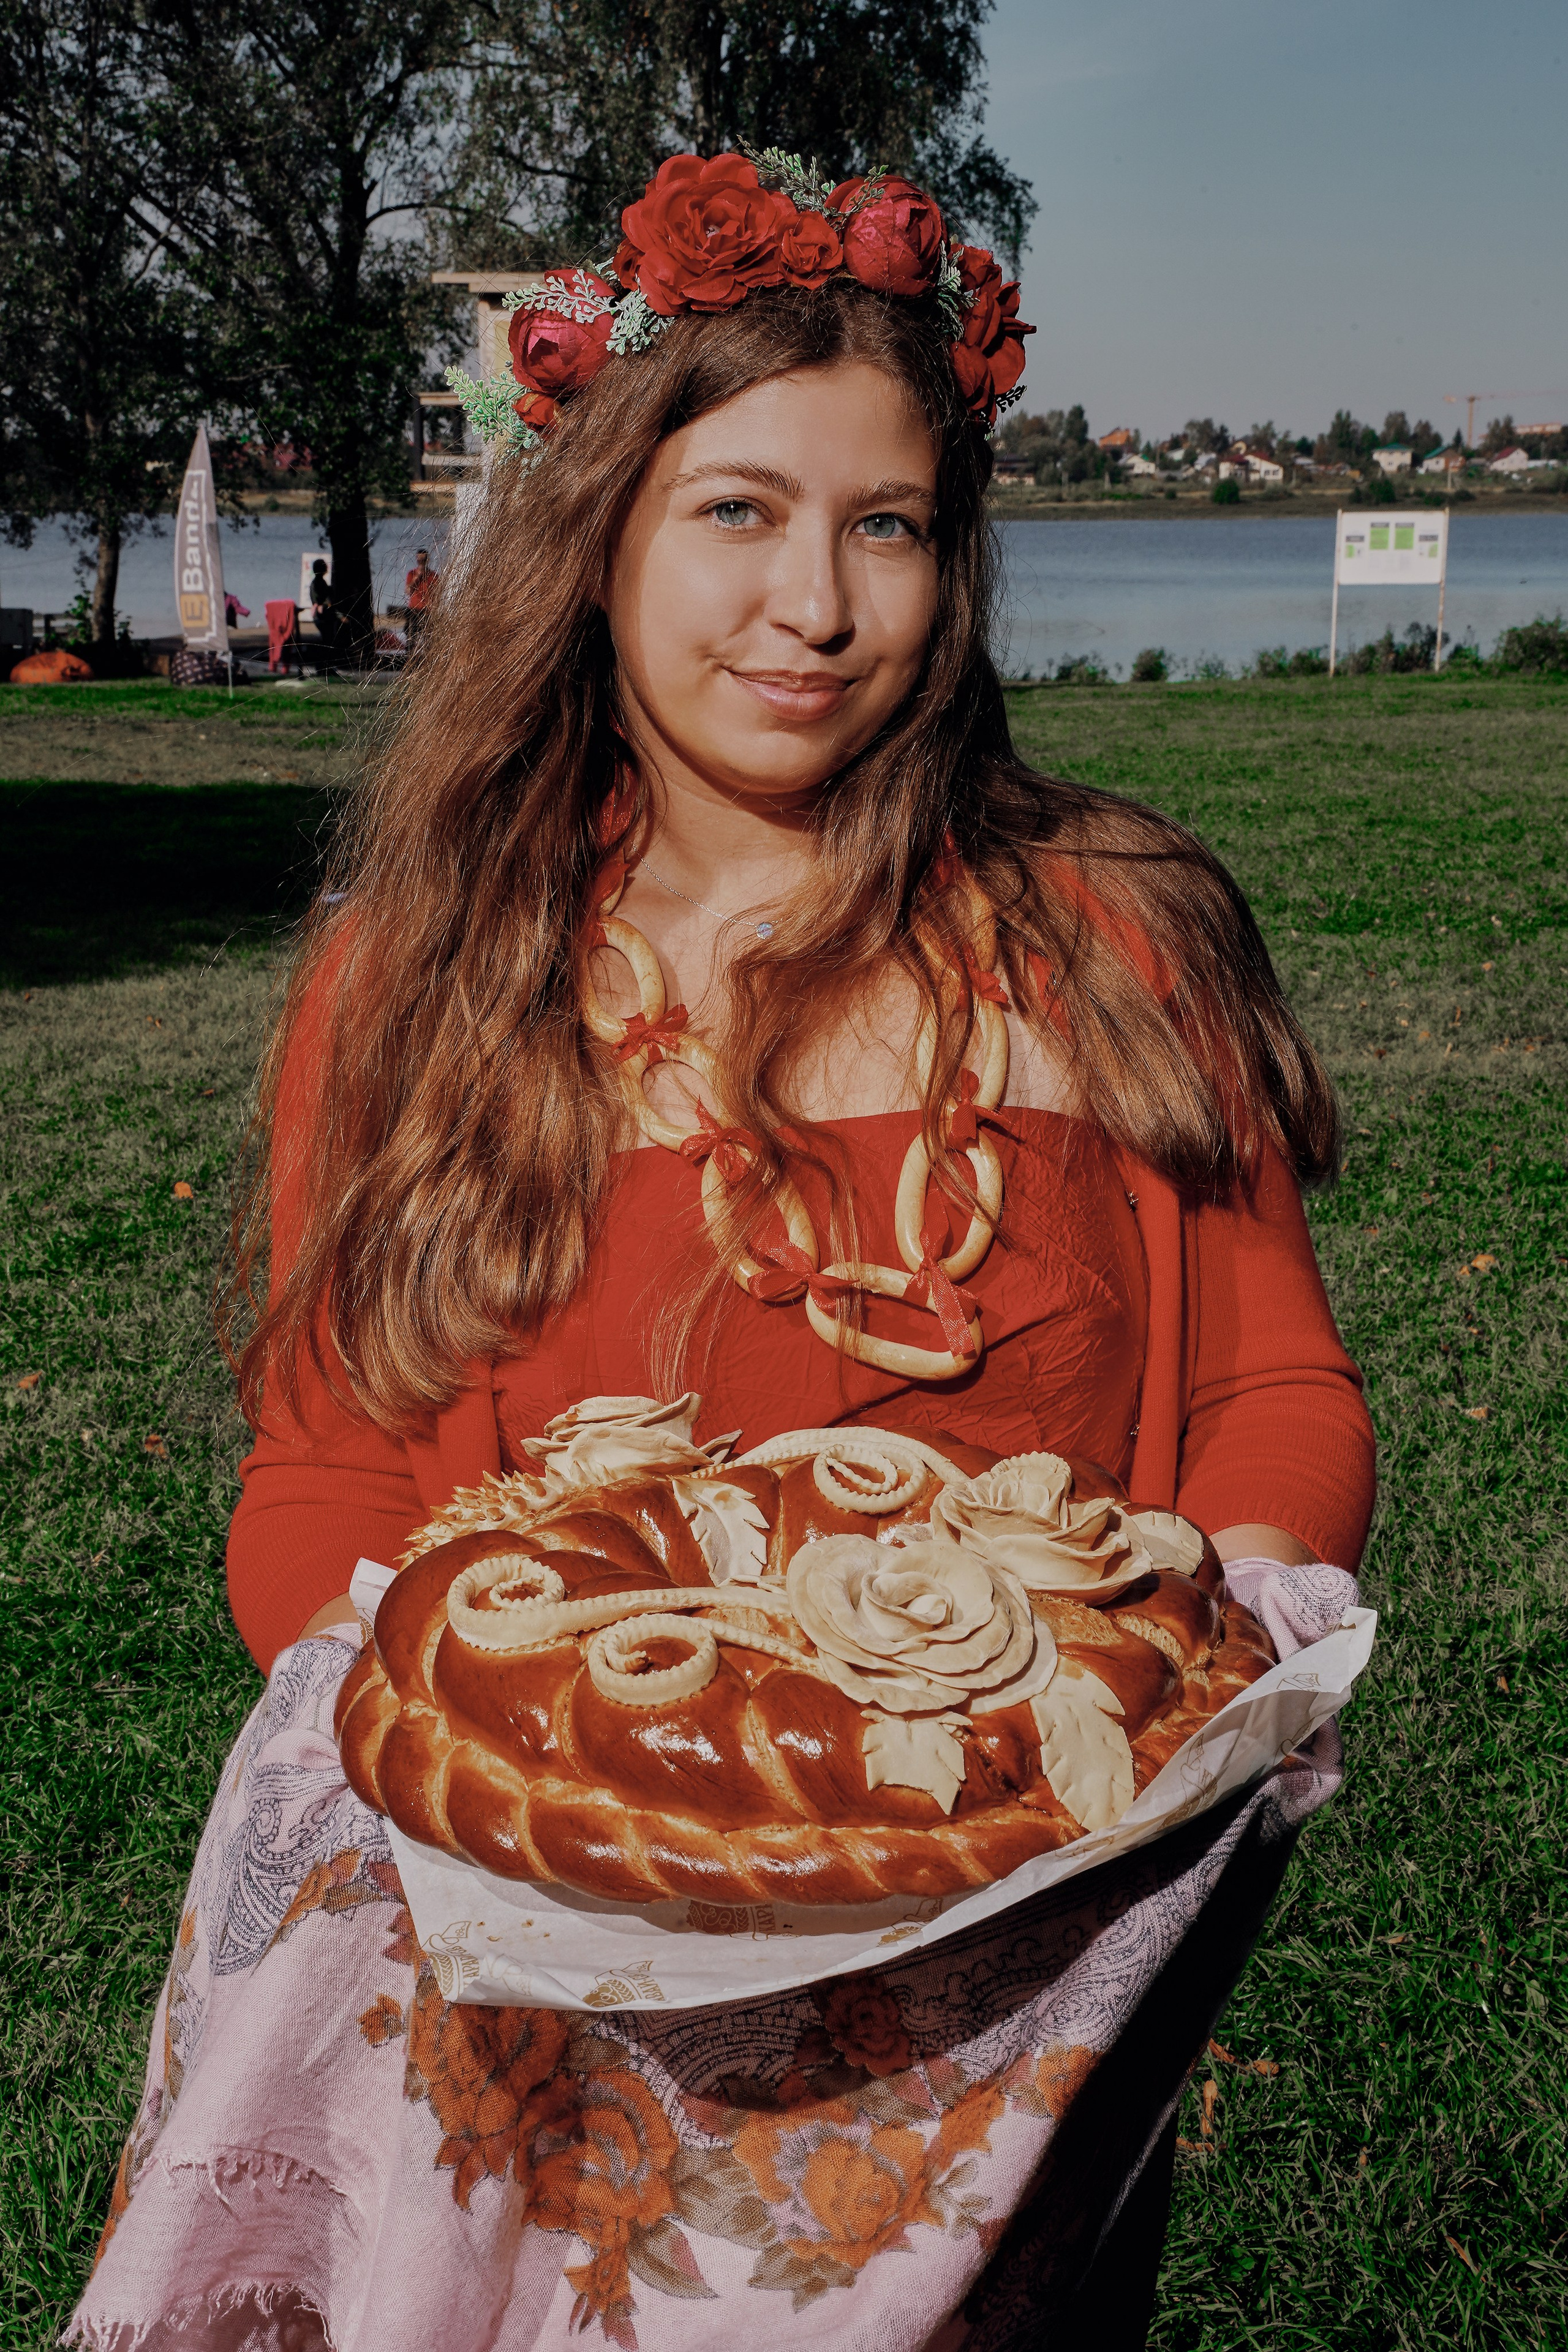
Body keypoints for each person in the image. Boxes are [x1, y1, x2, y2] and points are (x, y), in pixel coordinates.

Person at [72, 154, 1373, 2352]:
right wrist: (522, 1798)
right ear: (595, 541)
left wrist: (1155, 1753)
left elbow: (1270, 1398)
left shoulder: (1114, 933)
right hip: (555, 1978)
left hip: (999, 1988)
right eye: (737, 513)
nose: (816, 605)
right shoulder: (425, 981)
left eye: (886, 525)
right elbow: (325, 1478)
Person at [307, 556, 342, 665]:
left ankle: (326, 665)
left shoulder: (319, 582)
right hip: (323, 616)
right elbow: (321, 601)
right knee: (327, 641)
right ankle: (324, 665)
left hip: (323, 615)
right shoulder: (318, 583)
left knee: (328, 640)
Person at [403, 545, 439, 647]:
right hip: (414, 609)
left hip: (427, 610)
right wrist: (417, 577)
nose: (421, 562)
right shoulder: (412, 574)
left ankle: (428, 658)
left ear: (427, 560)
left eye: (423, 560)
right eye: (420, 560)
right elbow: (408, 591)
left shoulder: (433, 576)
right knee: (411, 637)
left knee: (428, 638)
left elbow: (437, 593)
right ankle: (410, 657)